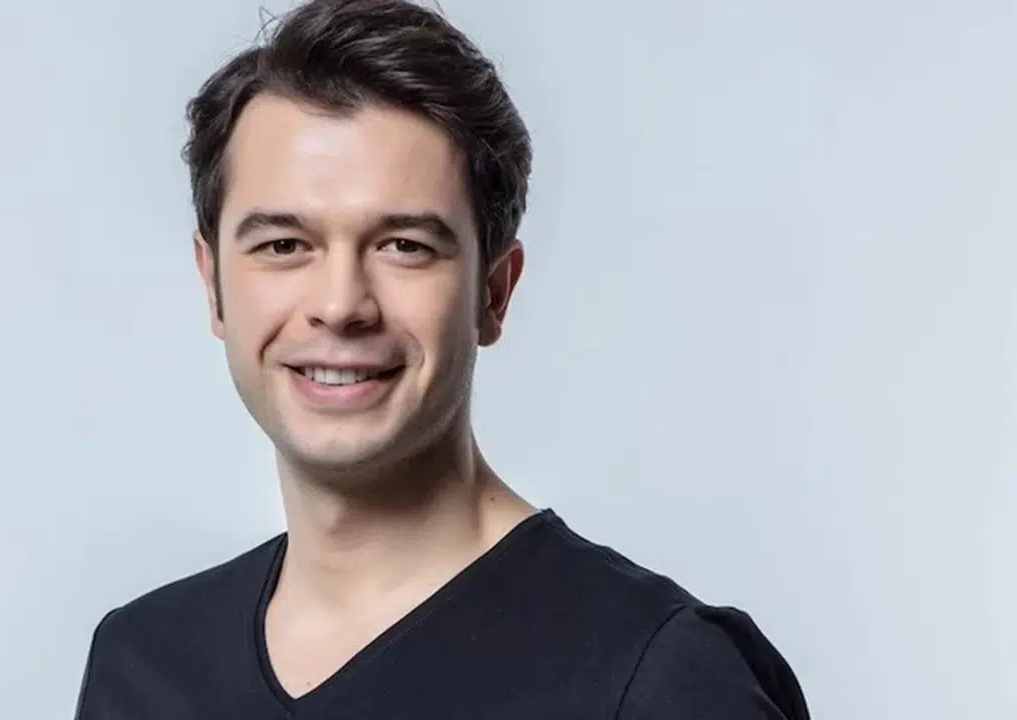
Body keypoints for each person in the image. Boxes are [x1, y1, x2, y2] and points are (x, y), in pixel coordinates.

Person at [74, 0, 810, 717]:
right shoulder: (142, 663)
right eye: (283, 245)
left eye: (405, 246)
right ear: (214, 286)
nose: (340, 304)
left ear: (494, 292)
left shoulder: (660, 678)